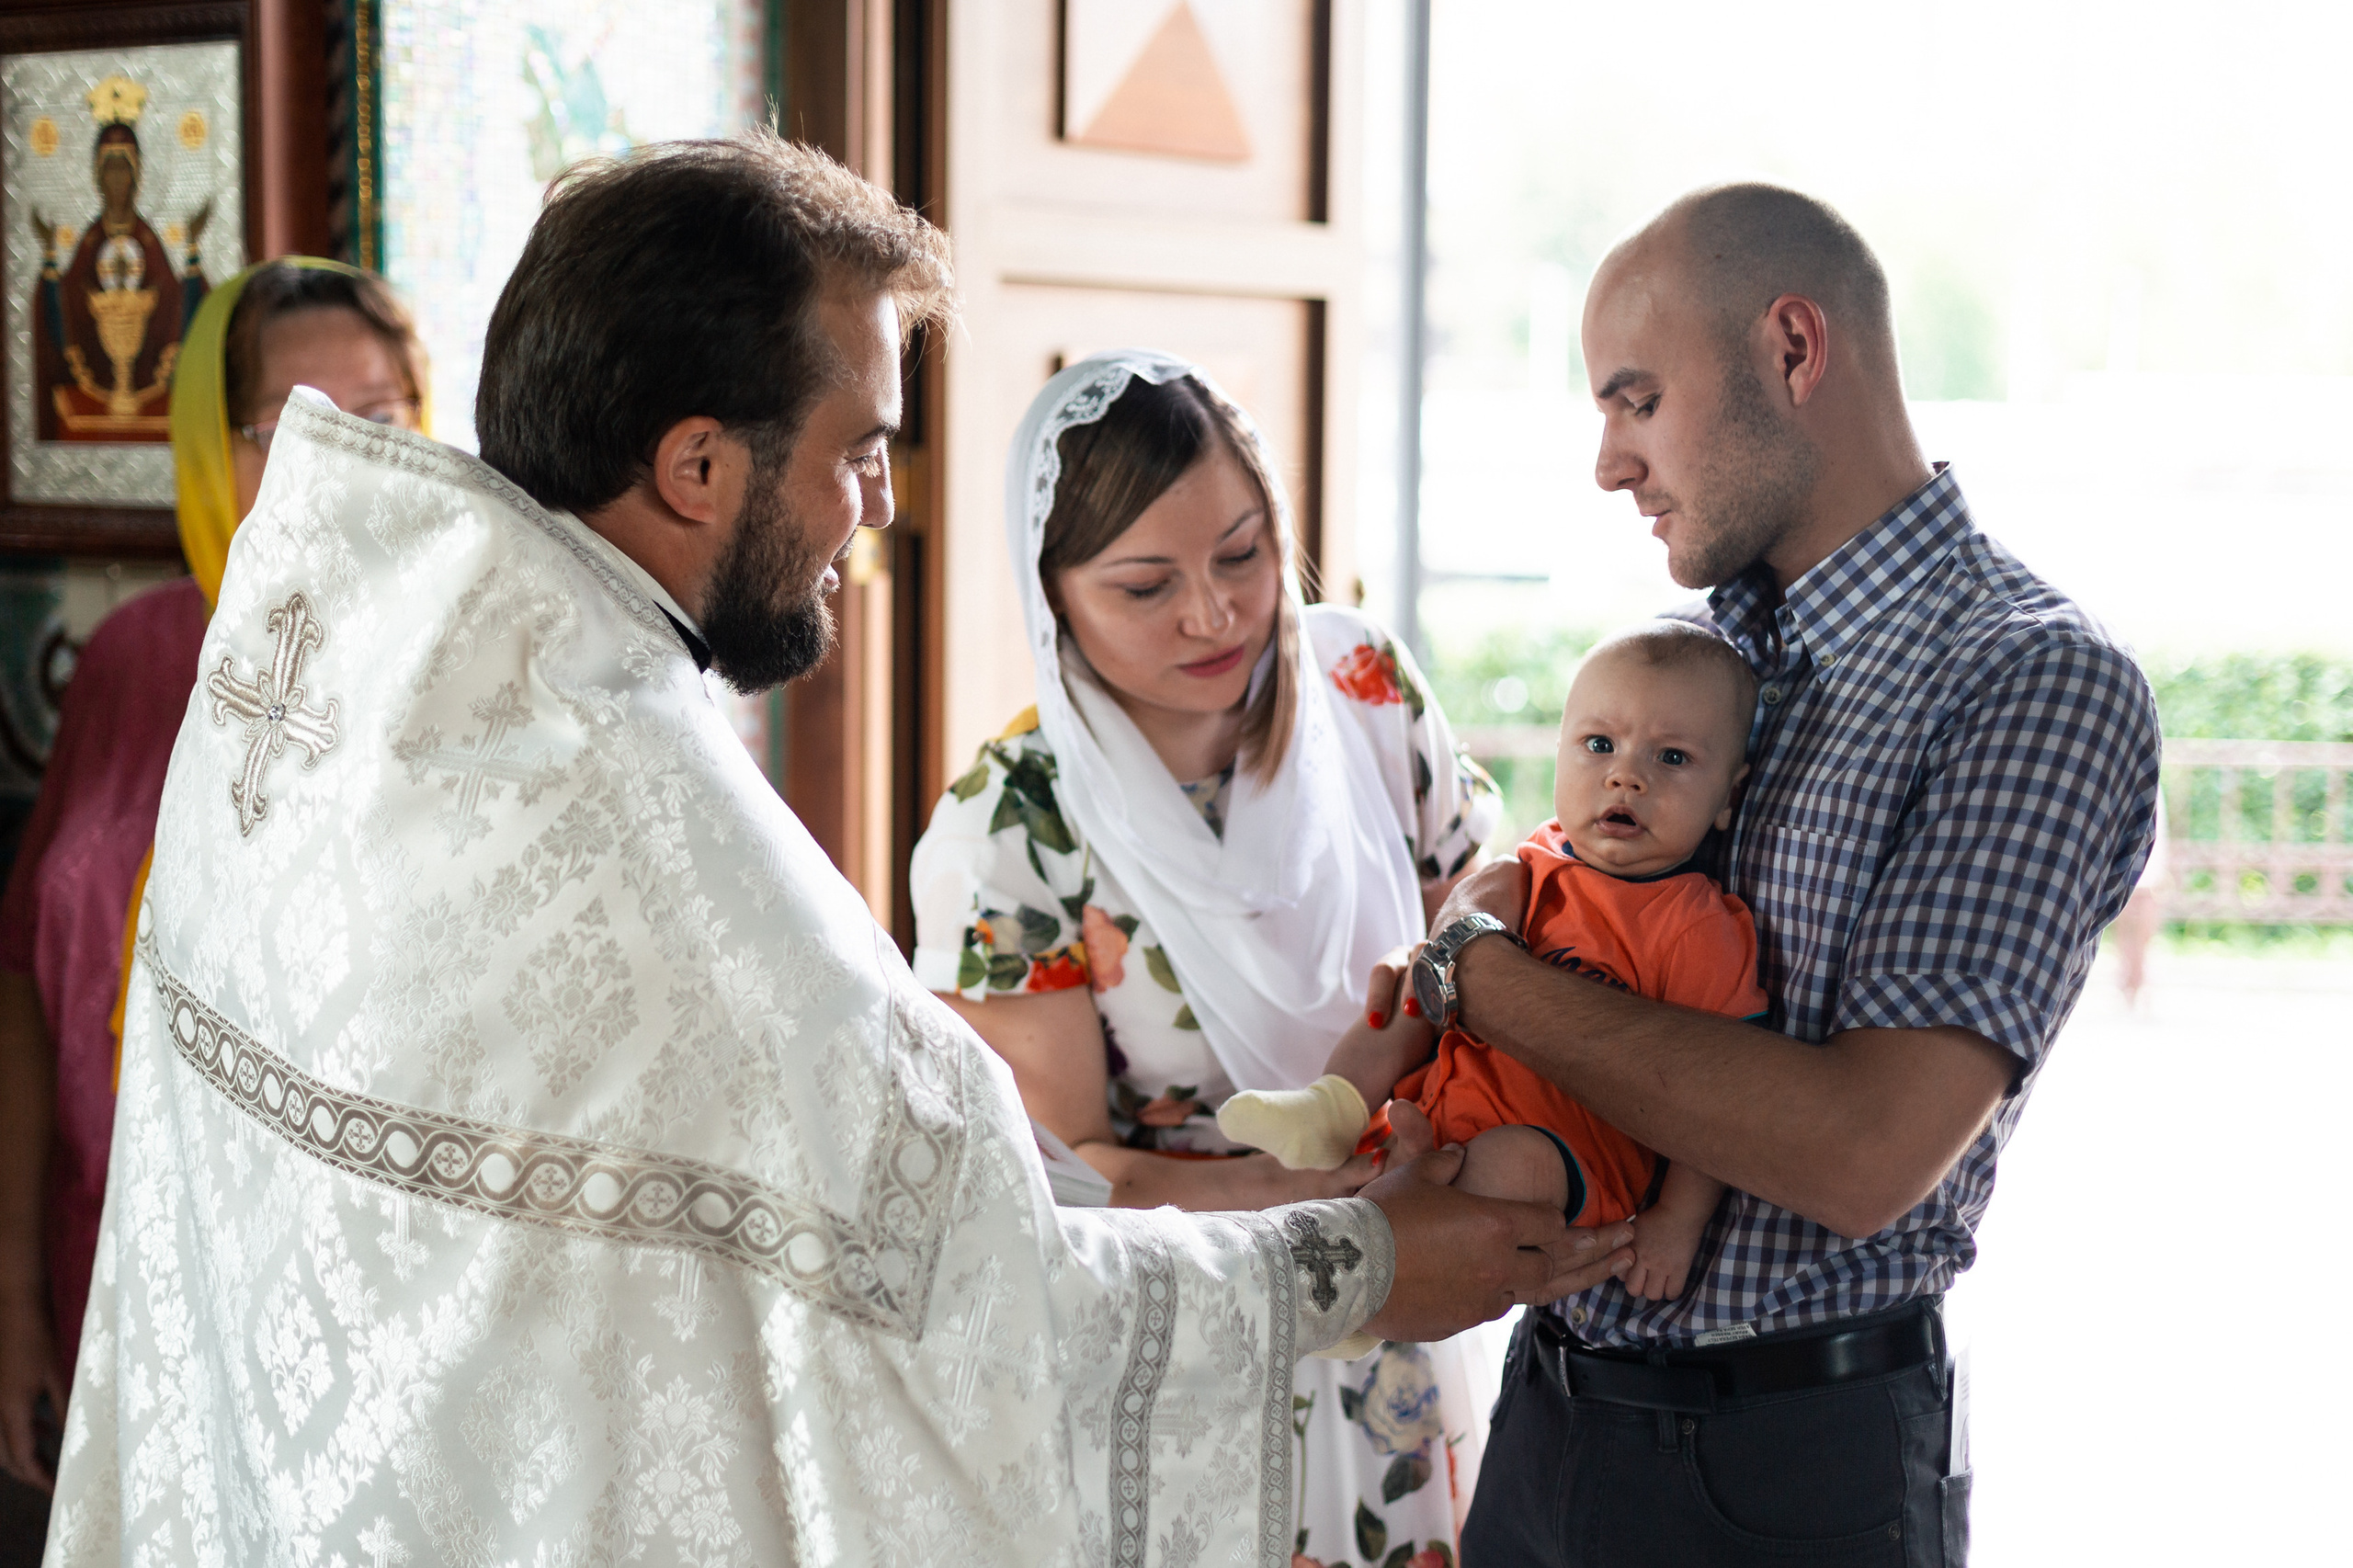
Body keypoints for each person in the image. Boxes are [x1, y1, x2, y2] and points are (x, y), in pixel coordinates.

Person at [44, 134, 1608, 1564]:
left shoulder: (358, 657)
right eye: (857, 447)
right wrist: (1354, 1269)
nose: (880, 501)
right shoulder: (644, 820)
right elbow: (976, 1305)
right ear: (698, 466)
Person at [1419, 184, 2161, 1566]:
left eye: (1637, 400)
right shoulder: (1694, 660)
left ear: (1794, 349)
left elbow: (1860, 1150)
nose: (1609, 462)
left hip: (1787, 1467)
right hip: (1547, 1415)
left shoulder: (2033, 679)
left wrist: (1474, 972)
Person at [907, 350, 1538, 1562]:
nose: (1213, 613)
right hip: (1203, 1343)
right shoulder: (1012, 828)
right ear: (1052, 593)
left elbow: (1483, 957)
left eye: (1243, 555)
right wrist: (1353, 1222)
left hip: (1423, 1318)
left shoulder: (1366, 691)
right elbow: (1067, 1183)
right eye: (1146, 584)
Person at [0, 258, 424, 1496]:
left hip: (343, 1325)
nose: (337, 460)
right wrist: (12, 1292)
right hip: (101, 1274)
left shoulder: (452, 673)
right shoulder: (134, 657)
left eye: (379, 417)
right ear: (207, 447)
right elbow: (25, 976)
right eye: (284, 426)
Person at [1220, 621, 1769, 1323]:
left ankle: (1370, 1291)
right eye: (1599, 744)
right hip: (1451, 1096)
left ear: (1728, 797)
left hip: (1565, 1147)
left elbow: (1718, 1100)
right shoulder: (1537, 863)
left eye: (1672, 757)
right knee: (1409, 992)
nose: (1626, 775)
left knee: (1501, 1168)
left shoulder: (1695, 924)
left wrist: (1678, 1219)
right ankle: (1332, 1106)